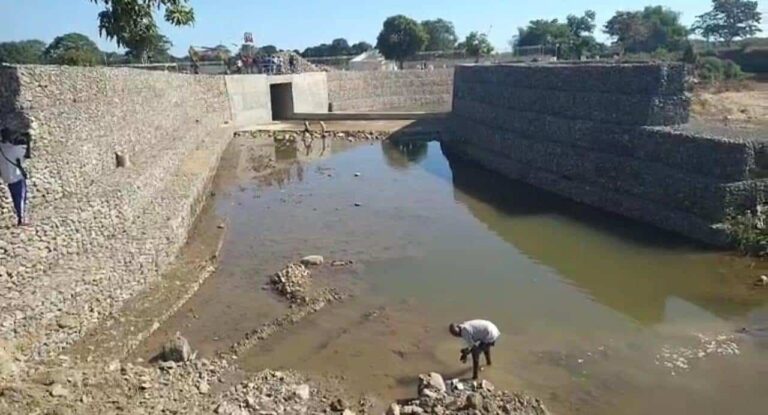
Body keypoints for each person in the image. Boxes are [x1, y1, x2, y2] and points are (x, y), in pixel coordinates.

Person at [0, 127, 30, 226]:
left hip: (7, 177)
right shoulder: (14, 149)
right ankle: (22, 218)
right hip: (16, 176)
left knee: (14, 197)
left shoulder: (2, 149)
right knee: (21, 197)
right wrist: (28, 141)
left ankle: (20, 216)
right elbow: (26, 155)